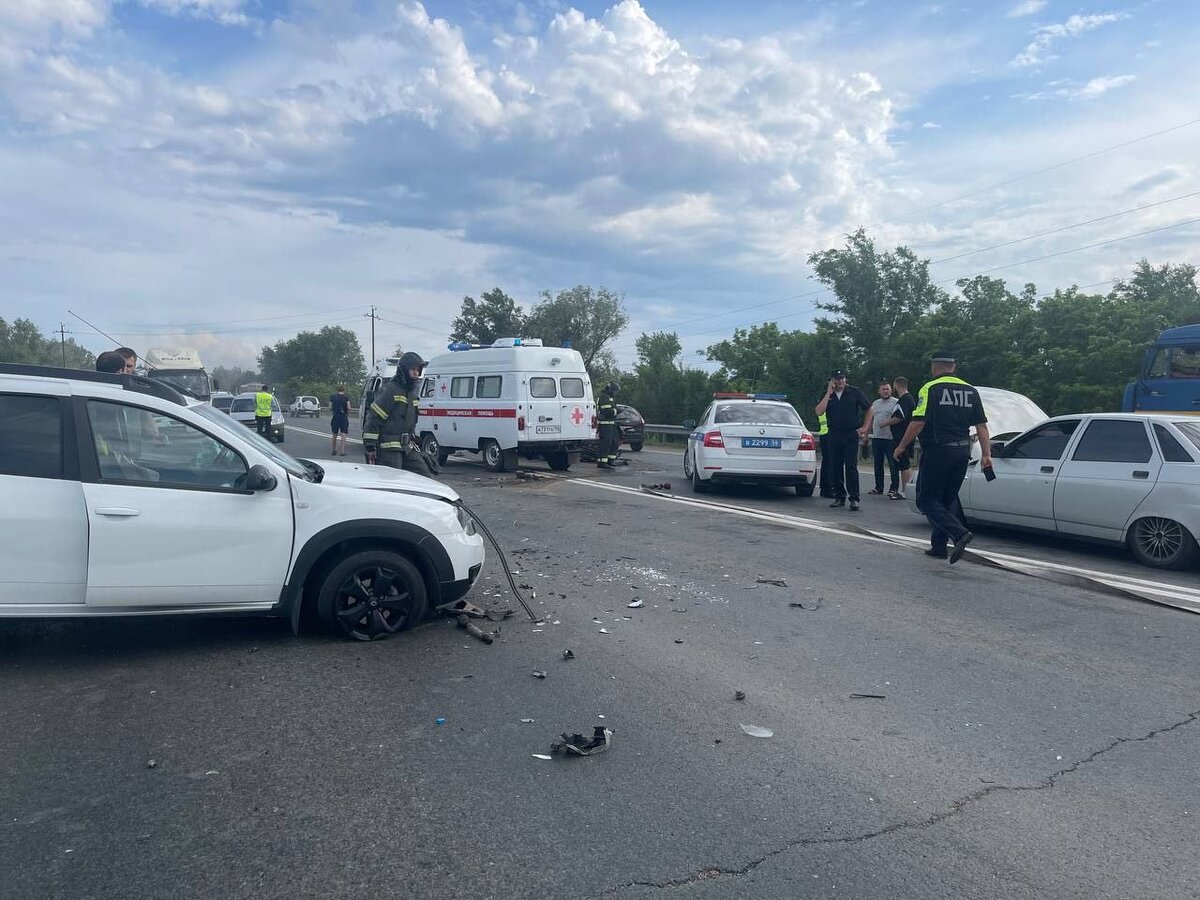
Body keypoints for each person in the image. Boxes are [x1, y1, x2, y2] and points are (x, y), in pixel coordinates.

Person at [894, 351, 991, 564]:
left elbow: (918, 422)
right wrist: (987, 455)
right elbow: (981, 426)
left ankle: (959, 533)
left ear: (934, 367)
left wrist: (902, 445)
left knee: (926, 499)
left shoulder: (930, 388)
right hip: (963, 451)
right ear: (953, 367)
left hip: (939, 451)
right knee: (947, 498)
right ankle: (939, 547)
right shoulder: (971, 391)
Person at [362, 352, 437, 477]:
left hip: (407, 446)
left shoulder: (411, 393)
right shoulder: (390, 390)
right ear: (403, 370)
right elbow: (374, 419)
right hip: (389, 448)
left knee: (425, 476)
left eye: (418, 370)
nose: (416, 374)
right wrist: (370, 446)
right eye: (413, 370)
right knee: (393, 481)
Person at [814, 370, 870, 511]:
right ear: (831, 380)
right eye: (837, 379)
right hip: (834, 434)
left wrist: (865, 427)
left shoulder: (854, 392)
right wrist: (828, 393)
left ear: (845, 379)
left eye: (842, 378)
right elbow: (819, 411)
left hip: (851, 433)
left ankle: (854, 498)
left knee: (851, 466)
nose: (840, 382)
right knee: (835, 466)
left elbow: (869, 409)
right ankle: (839, 496)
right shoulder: (828, 395)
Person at [859, 382, 902, 497]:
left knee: (893, 464)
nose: (886, 391)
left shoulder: (896, 402)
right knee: (878, 464)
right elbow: (870, 420)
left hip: (890, 438)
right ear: (879, 391)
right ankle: (879, 487)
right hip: (877, 437)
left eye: (887, 389)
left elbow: (899, 418)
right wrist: (866, 436)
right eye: (883, 389)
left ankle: (894, 488)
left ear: (891, 390)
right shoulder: (875, 403)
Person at [890, 376, 917, 498]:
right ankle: (903, 489)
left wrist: (885, 422)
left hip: (903, 436)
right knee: (901, 463)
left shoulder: (905, 399)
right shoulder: (906, 399)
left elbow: (899, 417)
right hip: (900, 436)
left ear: (896, 385)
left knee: (904, 463)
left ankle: (906, 491)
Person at [596, 381, 620, 469]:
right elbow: (607, 411)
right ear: (610, 390)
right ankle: (602, 462)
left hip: (612, 424)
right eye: (614, 391)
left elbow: (613, 408)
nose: (615, 393)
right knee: (605, 443)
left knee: (615, 442)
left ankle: (610, 461)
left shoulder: (610, 398)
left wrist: (615, 410)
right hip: (605, 425)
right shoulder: (603, 397)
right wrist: (616, 411)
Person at [329, 386, 351, 457]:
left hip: (335, 417)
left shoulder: (332, 397)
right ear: (344, 391)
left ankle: (333, 450)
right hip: (343, 417)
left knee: (334, 434)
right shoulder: (346, 398)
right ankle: (342, 451)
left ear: (337, 390)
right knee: (343, 434)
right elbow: (349, 407)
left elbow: (330, 407)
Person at [814, 413, 832, 498]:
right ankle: (828, 488)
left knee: (826, 462)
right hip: (830, 434)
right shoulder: (830, 404)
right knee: (830, 462)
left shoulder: (823, 404)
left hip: (824, 433)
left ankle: (824, 488)